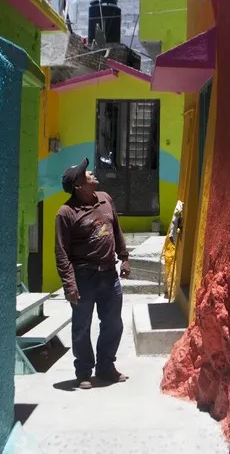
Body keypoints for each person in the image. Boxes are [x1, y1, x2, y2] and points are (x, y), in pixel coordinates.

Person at [55, 158, 131, 389]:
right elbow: (61, 252)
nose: (90, 173)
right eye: (85, 174)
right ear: (78, 187)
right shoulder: (66, 213)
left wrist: (124, 257)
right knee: (82, 325)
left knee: (113, 323)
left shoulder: (105, 199)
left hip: (108, 275)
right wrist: (70, 285)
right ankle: (84, 371)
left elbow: (115, 229)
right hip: (83, 277)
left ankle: (106, 367)